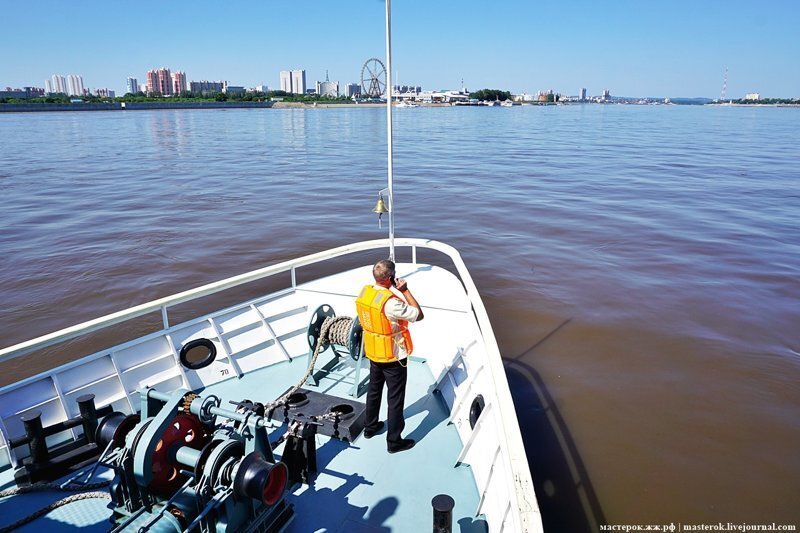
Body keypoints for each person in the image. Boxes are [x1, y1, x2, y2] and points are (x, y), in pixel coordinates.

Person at [355, 259, 424, 453]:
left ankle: (370, 427)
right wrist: (405, 290)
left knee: (374, 390)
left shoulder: (365, 293)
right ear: (390, 278)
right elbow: (418, 315)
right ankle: (394, 442)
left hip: (374, 352)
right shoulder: (392, 303)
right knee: (395, 399)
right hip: (393, 357)